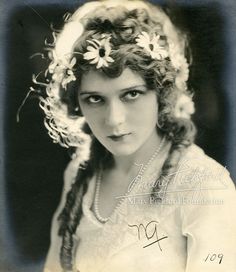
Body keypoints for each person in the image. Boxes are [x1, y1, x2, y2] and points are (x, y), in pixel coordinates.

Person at [31, 0, 236, 271]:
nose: (114, 119)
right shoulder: (80, 175)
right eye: (95, 99)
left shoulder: (204, 185)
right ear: (77, 104)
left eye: (131, 94)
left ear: (161, 94)